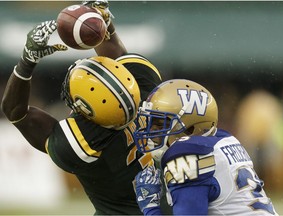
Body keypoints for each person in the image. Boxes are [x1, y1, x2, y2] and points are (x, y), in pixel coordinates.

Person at [1, 1, 164, 215]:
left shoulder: (82, 142)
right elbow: (117, 56)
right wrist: (105, 23)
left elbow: (16, 112)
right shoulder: (141, 88)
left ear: (86, 109)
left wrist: (27, 61)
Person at [133, 79, 279, 215]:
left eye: (160, 124)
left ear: (189, 128)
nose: (151, 131)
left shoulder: (187, 155)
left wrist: (150, 208)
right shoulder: (225, 140)